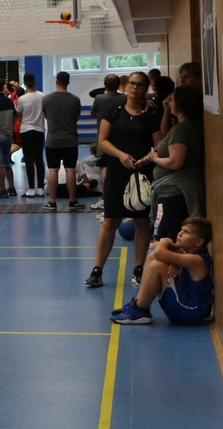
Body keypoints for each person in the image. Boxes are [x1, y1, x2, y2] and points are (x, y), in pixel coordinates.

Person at [86, 71, 162, 289]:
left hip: (142, 175)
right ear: (126, 85)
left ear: (145, 89)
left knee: (142, 222)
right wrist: (120, 155)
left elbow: (159, 144)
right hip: (117, 173)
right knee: (110, 221)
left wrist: (146, 158)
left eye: (139, 85)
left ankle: (138, 269)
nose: (134, 88)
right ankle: (97, 270)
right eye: (131, 83)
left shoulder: (151, 115)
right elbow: (103, 140)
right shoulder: (114, 111)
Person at [111, 217, 214, 326]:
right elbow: (158, 248)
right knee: (154, 259)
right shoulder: (188, 252)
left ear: (198, 242)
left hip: (191, 312)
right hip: (188, 307)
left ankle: (139, 310)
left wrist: (165, 241)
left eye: (186, 232)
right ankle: (138, 306)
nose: (180, 234)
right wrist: (174, 264)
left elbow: (159, 252)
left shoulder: (197, 260)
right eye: (181, 230)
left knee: (157, 265)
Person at [146, 83, 205, 243]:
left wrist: (154, 158)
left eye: (172, 100)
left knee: (174, 236)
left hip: (176, 191)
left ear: (179, 104)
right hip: (174, 190)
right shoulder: (187, 125)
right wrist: (166, 111)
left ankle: (176, 260)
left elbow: (175, 162)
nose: (169, 102)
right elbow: (165, 134)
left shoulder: (182, 129)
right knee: (163, 236)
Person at [41, 72, 84, 212]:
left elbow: (45, 115)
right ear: (68, 82)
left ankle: (52, 202)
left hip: (52, 141)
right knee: (70, 170)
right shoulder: (75, 99)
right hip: (70, 140)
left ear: (56, 81)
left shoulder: (47, 99)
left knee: (52, 170)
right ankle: (73, 201)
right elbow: (76, 117)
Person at [16, 73, 46, 197]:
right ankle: (40, 188)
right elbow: (45, 112)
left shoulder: (22, 99)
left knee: (28, 160)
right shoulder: (43, 96)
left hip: (26, 130)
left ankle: (31, 188)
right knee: (39, 159)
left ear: (24, 83)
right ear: (34, 81)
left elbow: (18, 114)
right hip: (39, 129)